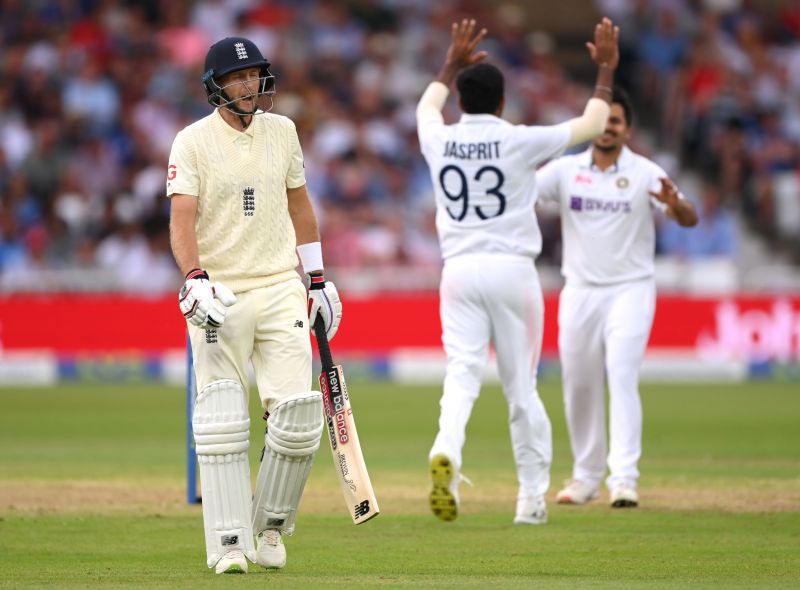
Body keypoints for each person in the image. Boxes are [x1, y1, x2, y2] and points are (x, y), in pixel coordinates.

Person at [416, 18, 619, 524]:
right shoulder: (519, 140)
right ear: (502, 103)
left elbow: (424, 108)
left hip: (458, 271)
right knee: (520, 387)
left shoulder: (439, 140)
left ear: (460, 102)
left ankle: (447, 450)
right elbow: (594, 124)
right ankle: (530, 499)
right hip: (511, 271)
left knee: (460, 376)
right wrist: (606, 70)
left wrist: (449, 63)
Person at [167, 37, 342, 574]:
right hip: (219, 293)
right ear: (216, 85)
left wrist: (315, 278)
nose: (248, 84)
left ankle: (268, 529)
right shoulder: (191, 142)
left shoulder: (283, 130)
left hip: (278, 286)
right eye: (238, 76)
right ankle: (225, 543)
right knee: (220, 418)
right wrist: (194, 279)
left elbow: (300, 205)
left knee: (296, 419)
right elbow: (182, 220)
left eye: (255, 74)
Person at [536, 86, 698, 509]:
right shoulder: (566, 171)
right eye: (603, 121)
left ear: (628, 130)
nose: (608, 129)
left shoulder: (645, 172)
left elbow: (689, 216)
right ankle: (586, 477)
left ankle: (624, 479)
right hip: (580, 290)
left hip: (631, 288)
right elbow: (521, 193)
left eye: (616, 122)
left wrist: (675, 204)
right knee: (579, 383)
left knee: (621, 374)